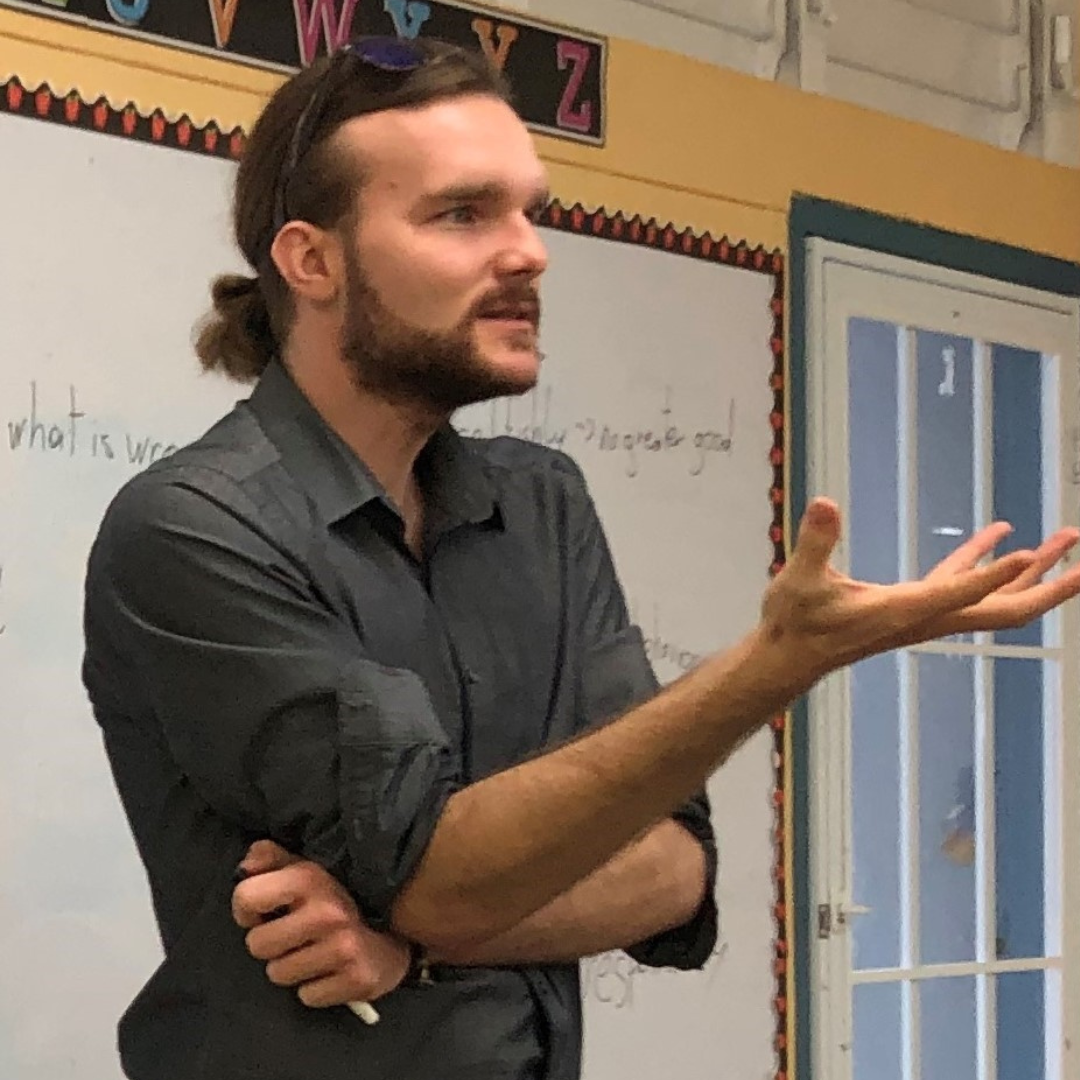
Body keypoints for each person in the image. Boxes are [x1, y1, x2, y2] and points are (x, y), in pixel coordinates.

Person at [81, 34, 1080, 1080]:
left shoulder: (539, 503)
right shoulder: (196, 529)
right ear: (312, 260)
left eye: (529, 211)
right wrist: (775, 663)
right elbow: (446, 876)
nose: (528, 251)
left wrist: (409, 939)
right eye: (462, 214)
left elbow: (673, 870)